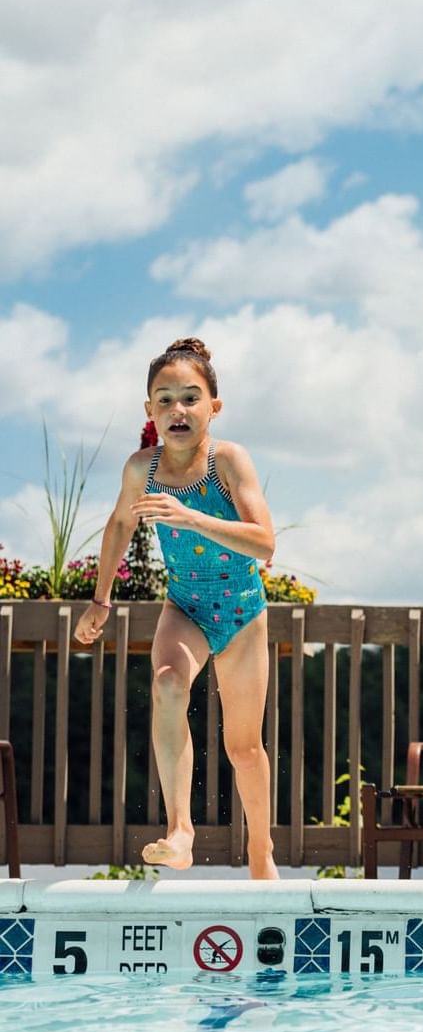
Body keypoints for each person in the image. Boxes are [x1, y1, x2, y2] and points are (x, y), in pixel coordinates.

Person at [73, 338, 280, 878]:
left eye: (191, 398)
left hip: (241, 611)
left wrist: (188, 517)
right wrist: (101, 600)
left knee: (244, 748)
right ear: (149, 411)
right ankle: (180, 830)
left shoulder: (228, 460)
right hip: (185, 605)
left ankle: (261, 850)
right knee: (166, 685)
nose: (177, 410)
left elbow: (264, 543)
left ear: (214, 406)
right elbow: (120, 523)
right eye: (164, 400)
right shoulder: (142, 468)